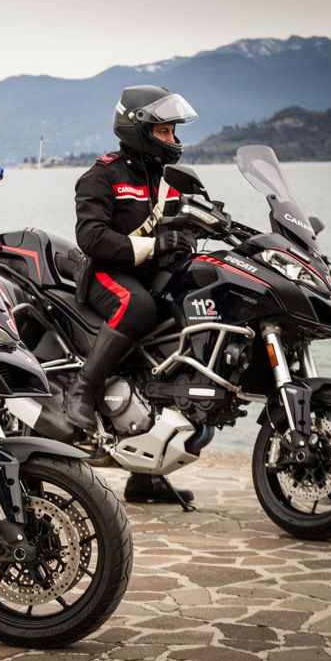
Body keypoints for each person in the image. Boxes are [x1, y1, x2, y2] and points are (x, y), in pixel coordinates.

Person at [66, 84, 199, 504]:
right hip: (109, 274)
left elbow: (195, 224)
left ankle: (147, 472)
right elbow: (91, 237)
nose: (173, 140)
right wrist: (152, 246)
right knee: (136, 305)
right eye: (164, 132)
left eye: (174, 132)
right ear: (137, 127)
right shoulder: (103, 175)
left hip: (156, 275)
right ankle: (83, 390)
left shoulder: (173, 180)